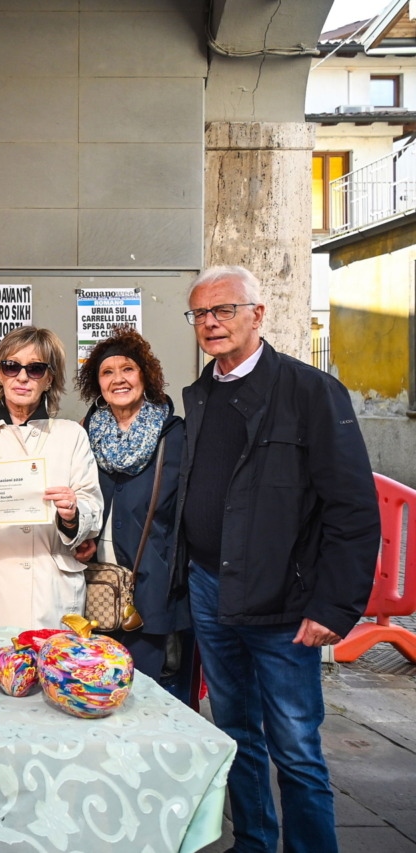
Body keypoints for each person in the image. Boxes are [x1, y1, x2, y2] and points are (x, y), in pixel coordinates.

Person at [176, 265, 380, 853]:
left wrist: (334, 605)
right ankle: (254, 843)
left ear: (257, 314)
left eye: (224, 309)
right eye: (200, 313)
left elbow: (353, 510)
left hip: (285, 603)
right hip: (212, 588)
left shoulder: (311, 391)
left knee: (295, 747)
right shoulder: (201, 394)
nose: (211, 322)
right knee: (236, 734)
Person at [0, 326, 102, 630]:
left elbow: (92, 507)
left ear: (49, 379)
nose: (22, 377)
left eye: (35, 369)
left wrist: (73, 513)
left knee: (48, 659)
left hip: (49, 589)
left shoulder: (71, 434)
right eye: (11, 366)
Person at [73, 326, 190, 699]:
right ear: (97, 384)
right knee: (96, 695)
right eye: (107, 372)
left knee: (147, 697)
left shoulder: (175, 436)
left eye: (128, 369)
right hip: (94, 586)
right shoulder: (83, 435)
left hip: (152, 588)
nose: (118, 379)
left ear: (145, 376)